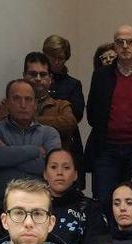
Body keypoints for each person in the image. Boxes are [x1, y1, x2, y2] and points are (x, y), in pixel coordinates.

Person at [86, 25, 132, 206]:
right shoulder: (101, 76)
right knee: (104, 200)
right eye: (120, 42)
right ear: (114, 46)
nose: (125, 46)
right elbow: (92, 113)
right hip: (107, 149)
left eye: (130, 42)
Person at [0, 79, 61, 211]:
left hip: (38, 206)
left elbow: (49, 168)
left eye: (28, 99)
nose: (23, 105)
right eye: (17, 99)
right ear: (7, 103)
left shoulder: (49, 134)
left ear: (35, 104)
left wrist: (7, 154)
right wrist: (35, 151)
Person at [0, 52, 78, 151]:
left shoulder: (61, 105)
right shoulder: (10, 102)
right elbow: (1, 123)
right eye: (33, 74)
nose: (38, 79)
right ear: (24, 76)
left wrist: (28, 120)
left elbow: (69, 124)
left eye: (43, 74)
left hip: (53, 163)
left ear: (50, 78)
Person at [44, 148, 106, 244]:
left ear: (75, 175)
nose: (59, 172)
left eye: (66, 167)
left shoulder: (90, 208)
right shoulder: (33, 208)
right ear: (45, 174)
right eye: (53, 167)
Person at [44, 34, 86, 191]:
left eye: (60, 58)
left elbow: (74, 117)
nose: (55, 62)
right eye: (51, 57)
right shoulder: (36, 83)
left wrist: (38, 120)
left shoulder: (72, 85)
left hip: (68, 143)